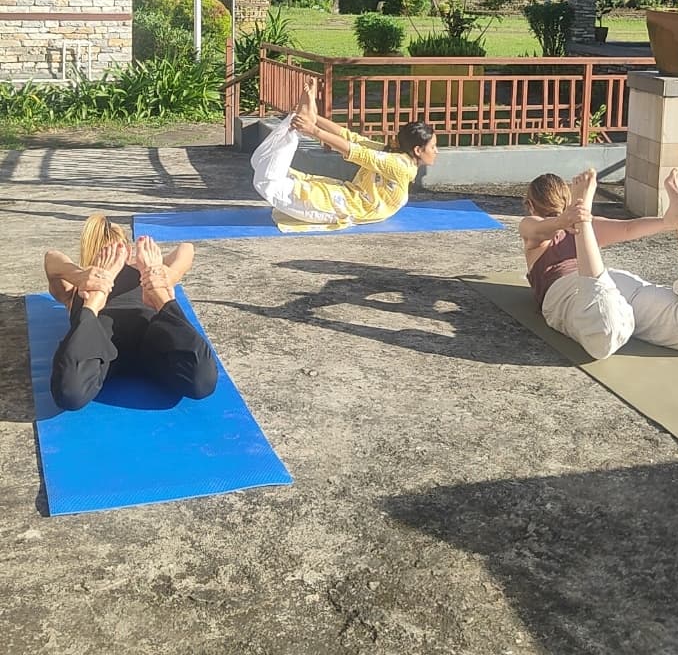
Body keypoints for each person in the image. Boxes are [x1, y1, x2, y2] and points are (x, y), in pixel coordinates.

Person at [519, 166, 678, 360]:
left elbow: (628, 228)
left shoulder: (540, 225)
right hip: (611, 284)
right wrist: (667, 223)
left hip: (580, 290)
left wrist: (668, 222)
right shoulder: (560, 226)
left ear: (530, 205)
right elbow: (628, 228)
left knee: (604, 335)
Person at [44, 215, 218, 411]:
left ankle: (159, 296)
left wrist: (167, 276)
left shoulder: (145, 272)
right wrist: (83, 277)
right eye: (108, 254)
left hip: (152, 339)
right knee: (70, 393)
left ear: (127, 252)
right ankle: (103, 300)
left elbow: (187, 249)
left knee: (202, 382)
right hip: (99, 344)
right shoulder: (81, 282)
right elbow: (51, 258)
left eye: (117, 252)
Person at [251, 78, 438, 232]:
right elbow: (352, 142)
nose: (436, 151)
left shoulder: (394, 159)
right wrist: (314, 124)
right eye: (433, 147)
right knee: (269, 178)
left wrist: (314, 127)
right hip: (347, 204)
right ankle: (300, 122)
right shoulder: (398, 163)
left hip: (347, 200)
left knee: (268, 179)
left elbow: (353, 145)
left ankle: (298, 123)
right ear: (417, 150)